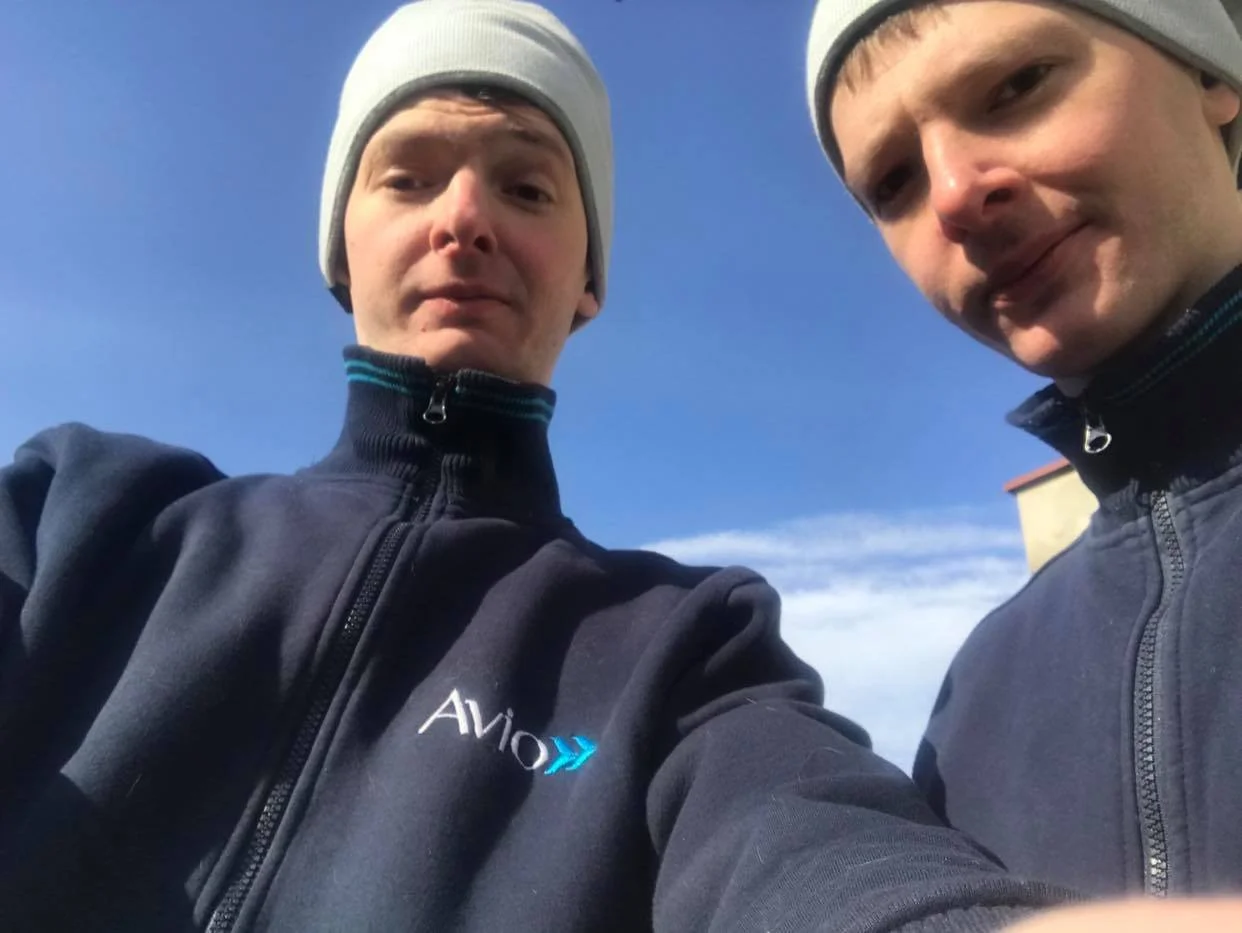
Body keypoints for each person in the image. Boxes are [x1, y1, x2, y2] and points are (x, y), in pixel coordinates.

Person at [0, 1, 1077, 930]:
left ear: (589, 281)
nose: (463, 220)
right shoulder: (83, 519)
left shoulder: (685, 648)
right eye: (408, 178)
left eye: (525, 188)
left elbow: (810, 847)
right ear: (341, 246)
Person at [807, 0, 1242, 902]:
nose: (955, 193)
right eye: (893, 183)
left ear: (1211, 73)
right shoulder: (980, 694)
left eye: (1015, 85)